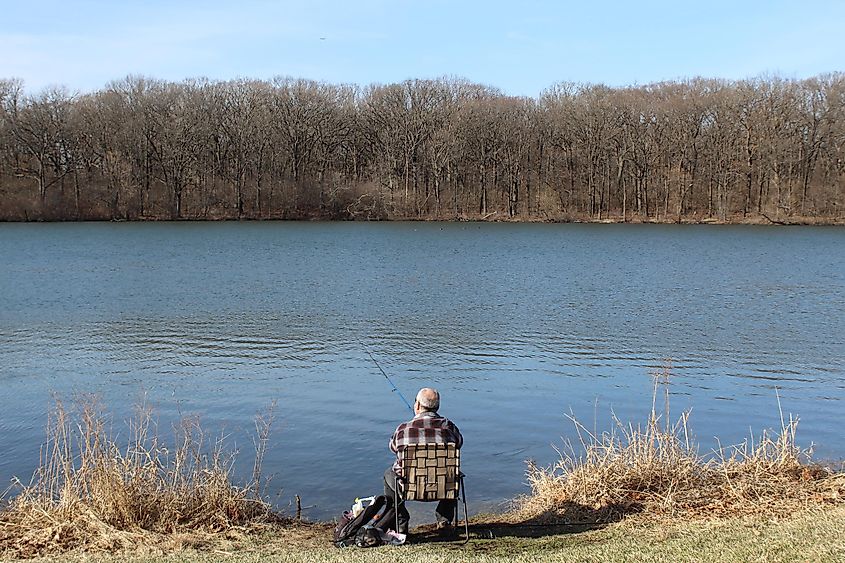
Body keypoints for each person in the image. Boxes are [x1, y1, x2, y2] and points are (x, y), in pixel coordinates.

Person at [383, 387, 463, 535]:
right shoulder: (449, 427)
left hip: (410, 487)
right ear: (437, 407)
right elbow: (459, 443)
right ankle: (444, 519)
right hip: (443, 487)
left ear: (418, 406)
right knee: (453, 472)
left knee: (389, 473)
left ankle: (400, 521)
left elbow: (393, 447)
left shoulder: (403, 429)